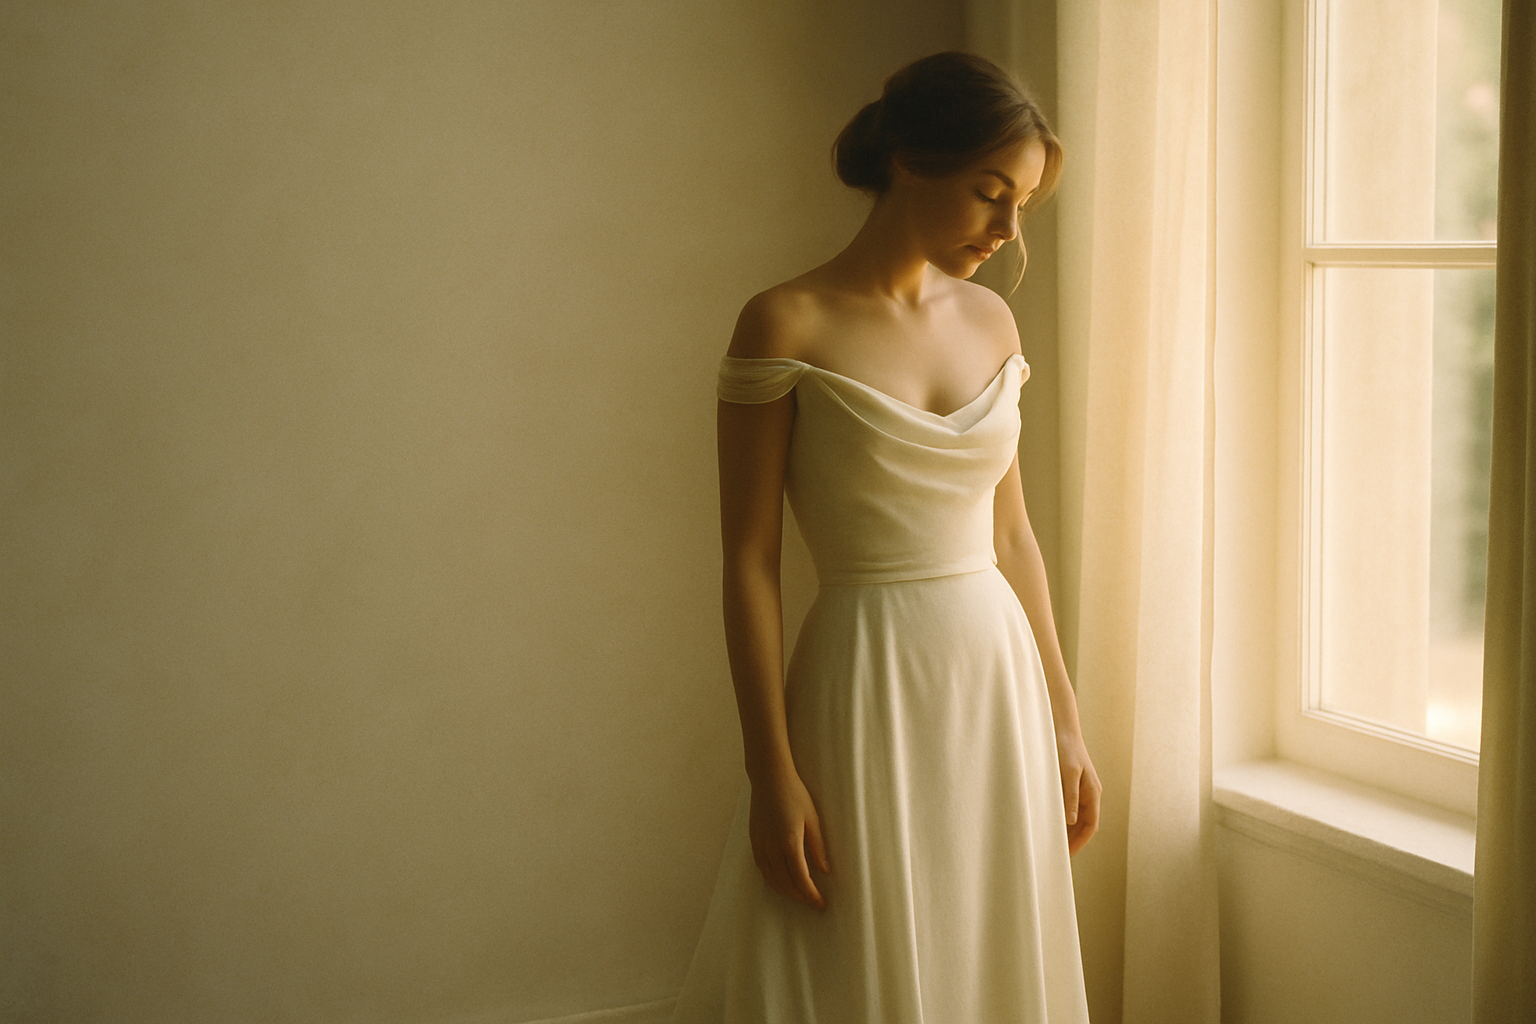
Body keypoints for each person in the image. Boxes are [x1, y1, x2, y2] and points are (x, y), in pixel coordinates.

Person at [673, 51, 1100, 1023]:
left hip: (994, 676)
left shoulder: (994, 321)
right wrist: (768, 770)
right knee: (854, 957)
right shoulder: (784, 320)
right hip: (864, 677)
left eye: (1022, 204)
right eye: (991, 193)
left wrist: (1064, 719)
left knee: (986, 942)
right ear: (911, 159)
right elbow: (748, 560)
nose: (1006, 228)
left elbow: (1014, 533)